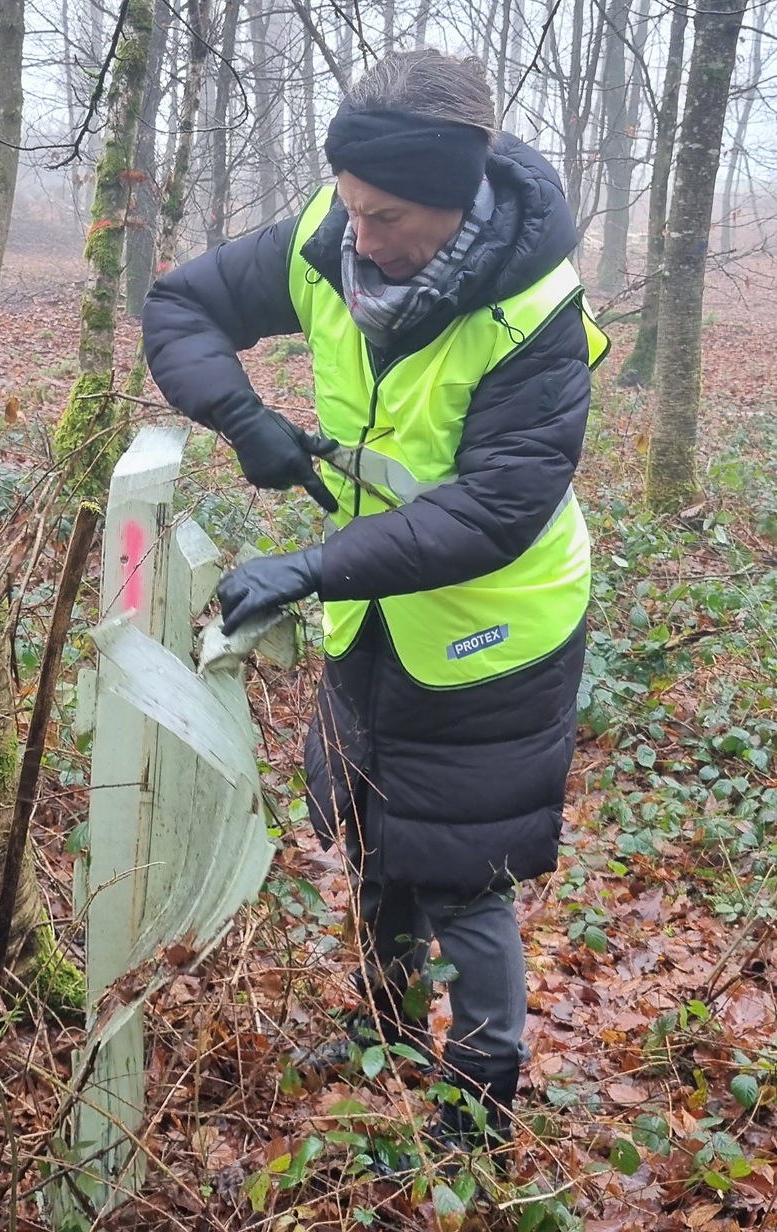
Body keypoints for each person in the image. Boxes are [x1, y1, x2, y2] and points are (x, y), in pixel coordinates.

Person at [142, 48, 608, 1163]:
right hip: (372, 608)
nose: (357, 236)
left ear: (455, 202)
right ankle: (386, 1030)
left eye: (386, 215)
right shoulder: (325, 232)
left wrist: (309, 564)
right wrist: (244, 417)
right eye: (349, 206)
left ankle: (479, 1084)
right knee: (368, 826)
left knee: (460, 860)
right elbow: (180, 303)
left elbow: (493, 510)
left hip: (494, 624)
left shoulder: (531, 315)